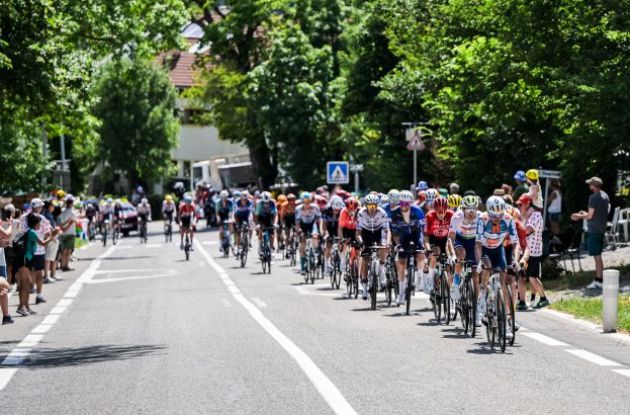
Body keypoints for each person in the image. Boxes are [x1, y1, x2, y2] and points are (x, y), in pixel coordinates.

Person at [475, 196, 520, 330]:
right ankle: (481, 306)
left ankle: (506, 317)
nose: (496, 218)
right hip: (484, 249)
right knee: (485, 274)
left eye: (499, 215)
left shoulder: (508, 219)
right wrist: (480, 262)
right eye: (493, 215)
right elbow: (477, 244)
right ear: (488, 212)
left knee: (503, 282)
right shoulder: (482, 219)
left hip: (498, 249)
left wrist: (516, 259)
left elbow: (515, 243)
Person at [15, 213, 60, 316]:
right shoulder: (32, 232)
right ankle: (21, 307)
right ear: (35, 224)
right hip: (25, 260)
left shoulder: (27, 231)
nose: (40, 226)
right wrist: (52, 236)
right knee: (25, 285)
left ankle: (26, 307)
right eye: (39, 223)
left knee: (26, 285)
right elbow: (43, 243)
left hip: (25, 259)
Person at [571, 177, 610, 289]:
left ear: (594, 185)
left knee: (597, 257)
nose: (589, 186)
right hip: (601, 229)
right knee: (598, 256)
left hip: (594, 230)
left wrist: (578, 216)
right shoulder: (605, 195)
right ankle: (599, 279)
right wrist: (585, 213)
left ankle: (599, 280)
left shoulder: (593, 197)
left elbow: (590, 216)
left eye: (590, 184)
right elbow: (597, 212)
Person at [447, 194, 480, 320]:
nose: (471, 213)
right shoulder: (456, 217)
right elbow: (450, 238)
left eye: (474, 210)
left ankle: (476, 309)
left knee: (476, 275)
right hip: (460, 240)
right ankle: (455, 284)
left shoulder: (481, 217)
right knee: (461, 255)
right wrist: (453, 255)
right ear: (463, 209)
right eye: (468, 210)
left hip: (474, 242)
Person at [390, 190, 425, 305]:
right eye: (402, 203)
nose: (404, 206)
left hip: (416, 234)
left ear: (411, 203)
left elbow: (423, 229)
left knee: (420, 253)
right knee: (401, 263)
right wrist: (398, 245)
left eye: (407, 204)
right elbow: (395, 233)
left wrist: (423, 244)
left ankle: (419, 276)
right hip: (403, 235)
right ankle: (401, 293)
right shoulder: (395, 213)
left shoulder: (418, 211)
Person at [516, 194, 549, 309]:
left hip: (533, 251)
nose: (519, 207)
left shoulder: (535, 216)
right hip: (525, 251)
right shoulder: (526, 215)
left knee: (532, 277)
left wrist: (517, 230)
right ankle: (521, 302)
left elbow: (527, 231)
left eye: (521, 205)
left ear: (528, 204)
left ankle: (543, 298)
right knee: (521, 277)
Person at [356, 193, 389, 300]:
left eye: (374, 205)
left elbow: (387, 230)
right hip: (366, 233)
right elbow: (358, 232)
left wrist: (387, 242)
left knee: (383, 247)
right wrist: (361, 242)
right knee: (365, 260)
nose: (372, 208)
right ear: (366, 205)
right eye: (370, 206)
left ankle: (381, 268)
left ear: (377, 205)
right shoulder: (361, 213)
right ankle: (365, 288)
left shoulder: (382, 212)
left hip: (378, 232)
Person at [20, 198, 51, 305]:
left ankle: (26, 299)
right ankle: (38, 295)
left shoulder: (23, 217)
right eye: (41, 206)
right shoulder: (41, 218)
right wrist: (52, 236)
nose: (41, 208)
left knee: (28, 273)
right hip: (39, 250)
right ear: (37, 207)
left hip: (26, 251)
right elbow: (47, 234)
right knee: (39, 274)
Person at [423, 196, 453, 300]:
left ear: (447, 209)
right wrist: (427, 249)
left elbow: (453, 237)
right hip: (433, 239)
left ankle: (450, 291)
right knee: (434, 254)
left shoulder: (451, 215)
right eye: (438, 211)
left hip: (446, 239)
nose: (441, 214)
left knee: (449, 264)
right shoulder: (429, 216)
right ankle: (431, 280)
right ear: (434, 209)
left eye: (443, 211)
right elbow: (426, 237)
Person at [296, 192, 323, 275]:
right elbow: (297, 223)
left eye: (308, 202)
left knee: (315, 236)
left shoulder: (315, 207)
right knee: (301, 247)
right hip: (303, 226)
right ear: (302, 202)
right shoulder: (298, 209)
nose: (307, 204)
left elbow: (320, 220)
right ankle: (303, 267)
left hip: (312, 224)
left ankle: (315, 253)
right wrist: (299, 231)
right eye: (305, 202)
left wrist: (321, 230)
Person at [321, 196, 344, 275]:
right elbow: (324, 224)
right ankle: (326, 264)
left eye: (338, 210)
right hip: (329, 226)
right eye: (335, 209)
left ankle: (340, 259)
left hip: (337, 227)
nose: (336, 211)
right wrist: (325, 233)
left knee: (341, 242)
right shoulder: (326, 210)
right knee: (328, 245)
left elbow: (342, 226)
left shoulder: (342, 211)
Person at [59, 195, 77, 272]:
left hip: (62, 233)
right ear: (72, 203)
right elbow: (74, 221)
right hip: (71, 232)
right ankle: (66, 265)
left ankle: (62, 265)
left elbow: (60, 222)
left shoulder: (62, 211)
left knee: (63, 250)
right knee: (68, 250)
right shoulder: (73, 212)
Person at [43, 200, 60, 282]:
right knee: (48, 258)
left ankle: (50, 274)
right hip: (51, 239)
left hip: (51, 238)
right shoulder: (47, 215)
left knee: (51, 258)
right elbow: (49, 229)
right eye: (53, 206)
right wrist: (53, 237)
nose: (54, 207)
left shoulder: (47, 214)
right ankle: (47, 276)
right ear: (49, 206)